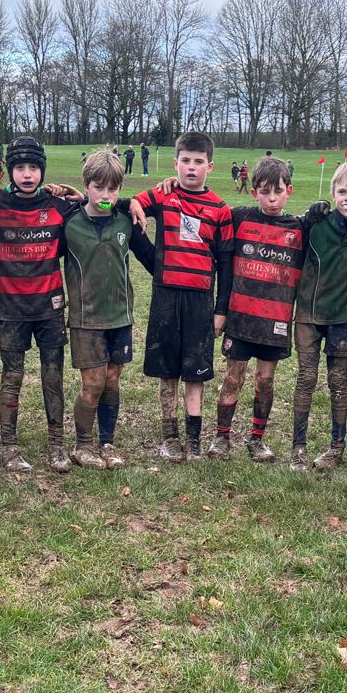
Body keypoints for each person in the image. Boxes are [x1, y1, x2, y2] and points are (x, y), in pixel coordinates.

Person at [129, 130, 235, 463]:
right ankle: (170, 438)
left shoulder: (220, 210)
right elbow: (129, 207)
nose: (191, 168)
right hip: (165, 298)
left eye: (198, 162)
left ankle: (193, 439)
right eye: (185, 161)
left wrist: (221, 310)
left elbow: (227, 264)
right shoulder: (162, 197)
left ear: (210, 166)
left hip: (200, 300)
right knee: (167, 370)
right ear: (175, 163)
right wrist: (156, 265)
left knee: (195, 370)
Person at [0, 136, 74, 473]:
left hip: (49, 306)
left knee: (52, 375)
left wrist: (71, 192)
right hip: (11, 308)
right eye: (20, 167)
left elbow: (95, 204)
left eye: (34, 167)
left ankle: (57, 443)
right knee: (12, 375)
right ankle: (9, 444)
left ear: (42, 171)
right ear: (11, 171)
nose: (27, 174)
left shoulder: (57, 205)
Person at [59, 148, 155, 468]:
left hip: (120, 316)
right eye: (98, 187)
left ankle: (107, 442)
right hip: (85, 318)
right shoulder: (69, 221)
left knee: (113, 379)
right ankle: (83, 445)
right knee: (94, 382)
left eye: (112, 189)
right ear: (86, 185)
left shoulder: (126, 220)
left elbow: (154, 262)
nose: (105, 194)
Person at [210, 156, 305, 462]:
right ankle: (221, 438)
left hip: (274, 321)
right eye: (265, 191)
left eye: (278, 190)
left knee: (265, 380)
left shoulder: (300, 227)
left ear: (289, 190)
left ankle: (256, 439)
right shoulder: (239, 217)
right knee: (233, 377)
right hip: (240, 319)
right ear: (254, 193)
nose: (272, 198)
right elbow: (208, 212)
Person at [290, 160, 347, 472]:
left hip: (346, 316)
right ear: (333, 193)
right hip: (310, 314)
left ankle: (336, 447)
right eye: (342, 191)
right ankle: (297, 447)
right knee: (306, 378)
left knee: (338, 381)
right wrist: (308, 214)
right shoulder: (316, 222)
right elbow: (288, 228)